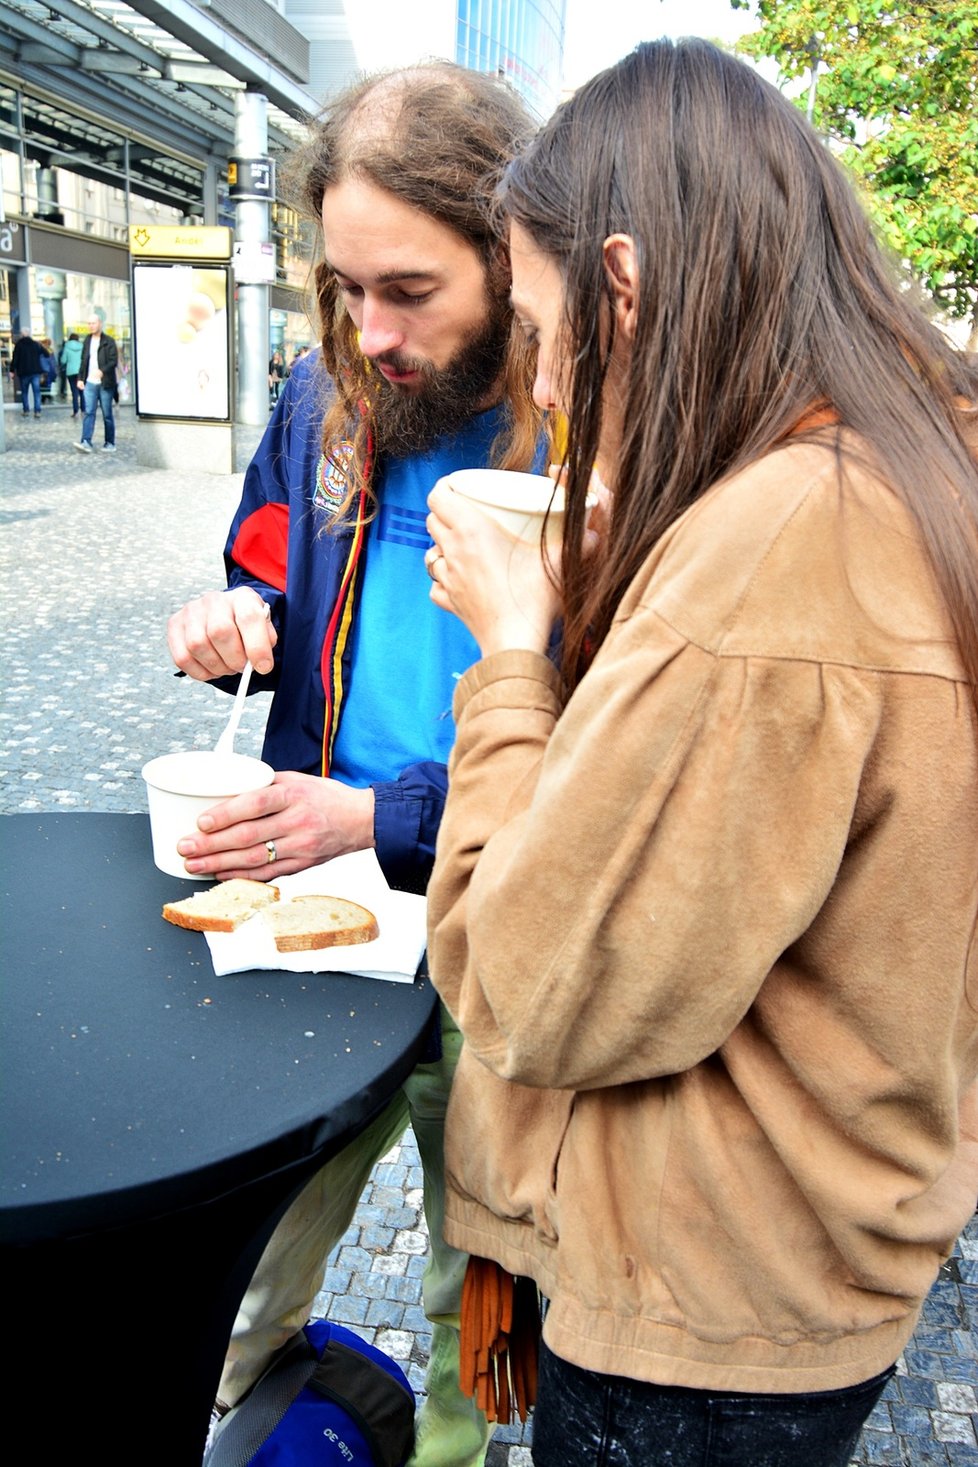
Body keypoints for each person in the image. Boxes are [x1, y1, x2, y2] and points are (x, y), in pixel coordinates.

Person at [424, 38, 978, 1467]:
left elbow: (530, 986)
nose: (542, 392)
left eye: (544, 336)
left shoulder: (775, 551)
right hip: (824, 1241)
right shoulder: (916, 459)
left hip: (699, 1300)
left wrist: (511, 653)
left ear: (623, 285)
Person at [165, 62, 542, 1467]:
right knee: (260, 1236)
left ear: (514, 259)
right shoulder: (317, 396)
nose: (369, 331)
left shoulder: (583, 431)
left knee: (478, 1280)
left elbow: (599, 740)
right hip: (320, 913)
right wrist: (235, 621)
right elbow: (260, 563)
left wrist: (379, 811)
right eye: (344, 287)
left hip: (493, 918)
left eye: (410, 290)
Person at [75, 308, 118, 453]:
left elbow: (113, 361)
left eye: (93, 323)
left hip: (105, 384)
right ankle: (86, 441)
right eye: (89, 323)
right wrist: (81, 378)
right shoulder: (87, 340)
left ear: (100, 323)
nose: (91, 326)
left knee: (107, 414)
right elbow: (83, 360)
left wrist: (102, 371)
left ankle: (110, 443)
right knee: (89, 412)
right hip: (90, 383)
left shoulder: (109, 341)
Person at [12, 329, 44, 416]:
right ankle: (37, 411)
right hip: (35, 372)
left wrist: (12, 370)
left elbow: (15, 358)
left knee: (24, 392)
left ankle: (26, 410)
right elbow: (46, 354)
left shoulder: (19, 345)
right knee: (36, 392)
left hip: (24, 372)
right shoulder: (35, 344)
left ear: (22, 335)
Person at [59, 333, 83, 416]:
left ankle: (75, 410)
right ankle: (83, 410)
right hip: (81, 371)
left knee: (74, 391)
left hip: (71, 371)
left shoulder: (67, 346)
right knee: (82, 391)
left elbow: (63, 360)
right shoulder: (82, 346)